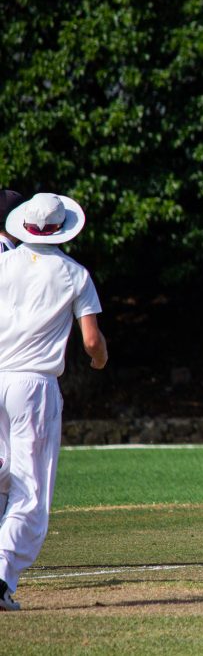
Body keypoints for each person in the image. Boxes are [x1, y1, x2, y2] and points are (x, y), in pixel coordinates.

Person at [0, 193, 108, 611]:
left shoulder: (4, 262)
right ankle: (3, 575)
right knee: (30, 489)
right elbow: (92, 340)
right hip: (34, 384)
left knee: (9, 474)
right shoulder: (74, 274)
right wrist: (100, 359)